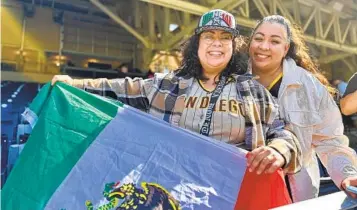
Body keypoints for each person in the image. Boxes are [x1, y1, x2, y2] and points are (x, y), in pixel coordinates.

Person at [52, 10, 301, 176]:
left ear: (234, 47)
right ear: (197, 44)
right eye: (209, 36)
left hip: (235, 193)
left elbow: (285, 132)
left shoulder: (254, 92)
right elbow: (119, 89)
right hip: (174, 191)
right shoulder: (166, 86)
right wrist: (73, 84)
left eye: (225, 38)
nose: (217, 43)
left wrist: (278, 149)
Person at [247, 15, 357, 202]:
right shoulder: (231, 79)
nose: (264, 46)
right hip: (242, 192)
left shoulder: (310, 87)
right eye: (258, 38)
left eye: (274, 41)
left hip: (295, 197)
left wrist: (347, 175)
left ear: (286, 48)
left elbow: (331, 143)